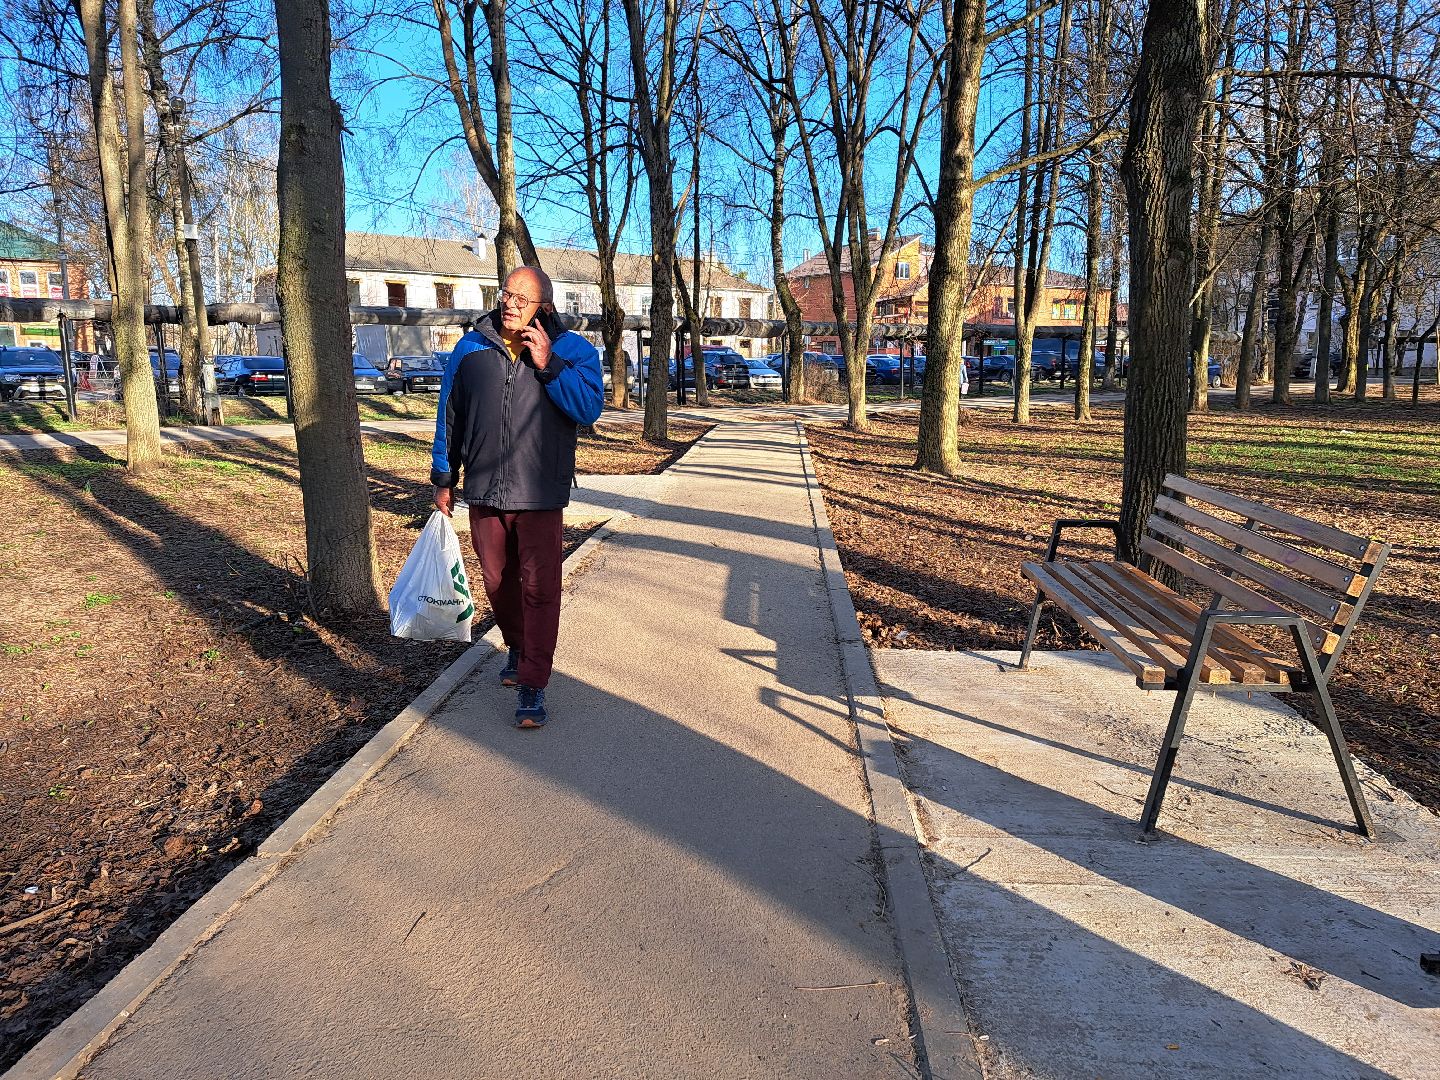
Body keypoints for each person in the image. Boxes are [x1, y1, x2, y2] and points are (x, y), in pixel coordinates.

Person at [430, 266, 604, 729]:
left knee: (540, 589)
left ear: (543, 306)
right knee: (497, 582)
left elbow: (588, 409)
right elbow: (449, 415)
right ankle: (518, 646)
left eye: (522, 298)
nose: (510, 303)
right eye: (506, 293)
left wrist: (549, 365)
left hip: (541, 492)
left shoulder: (573, 350)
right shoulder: (470, 348)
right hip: (485, 488)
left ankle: (533, 683)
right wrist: (443, 476)